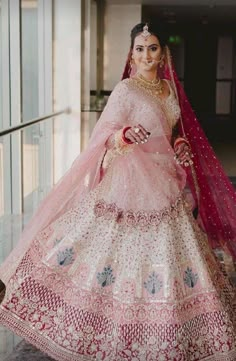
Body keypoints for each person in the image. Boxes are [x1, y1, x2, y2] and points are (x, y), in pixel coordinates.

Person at [0, 22, 236, 361]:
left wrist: (181, 146)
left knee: (168, 253)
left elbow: (173, 133)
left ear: (162, 53)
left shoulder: (169, 89)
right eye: (139, 49)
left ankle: (162, 325)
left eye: (152, 48)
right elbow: (104, 135)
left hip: (165, 177)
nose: (146, 55)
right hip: (130, 178)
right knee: (110, 250)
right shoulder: (126, 89)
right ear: (131, 53)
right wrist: (124, 135)